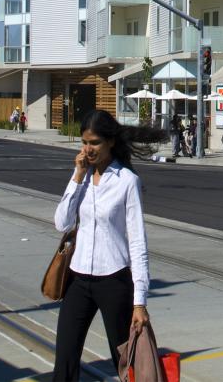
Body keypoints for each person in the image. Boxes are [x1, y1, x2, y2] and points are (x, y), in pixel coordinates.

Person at [52, 110, 164, 381]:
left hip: (113, 279)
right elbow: (62, 223)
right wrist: (77, 176)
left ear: (110, 142)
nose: (88, 149)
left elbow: (137, 242)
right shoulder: (83, 176)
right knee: (65, 358)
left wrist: (140, 302)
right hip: (78, 279)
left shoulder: (126, 181)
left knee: (124, 361)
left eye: (94, 143)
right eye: (84, 142)